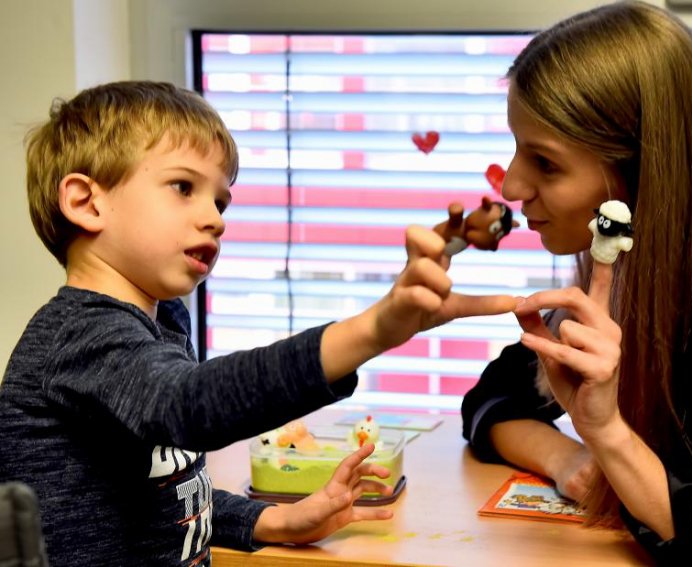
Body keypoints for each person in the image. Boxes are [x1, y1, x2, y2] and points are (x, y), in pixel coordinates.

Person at [0, 80, 517, 566]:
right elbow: (192, 406)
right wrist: (373, 330)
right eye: (184, 187)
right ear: (86, 202)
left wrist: (273, 519)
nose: (217, 218)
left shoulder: (162, 325)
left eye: (221, 200)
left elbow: (163, 496)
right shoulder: (79, 333)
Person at [461, 1, 692, 564]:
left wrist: (607, 435)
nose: (511, 186)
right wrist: (569, 459)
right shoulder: (623, 260)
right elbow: (493, 401)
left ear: (640, 165)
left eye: (546, 163)